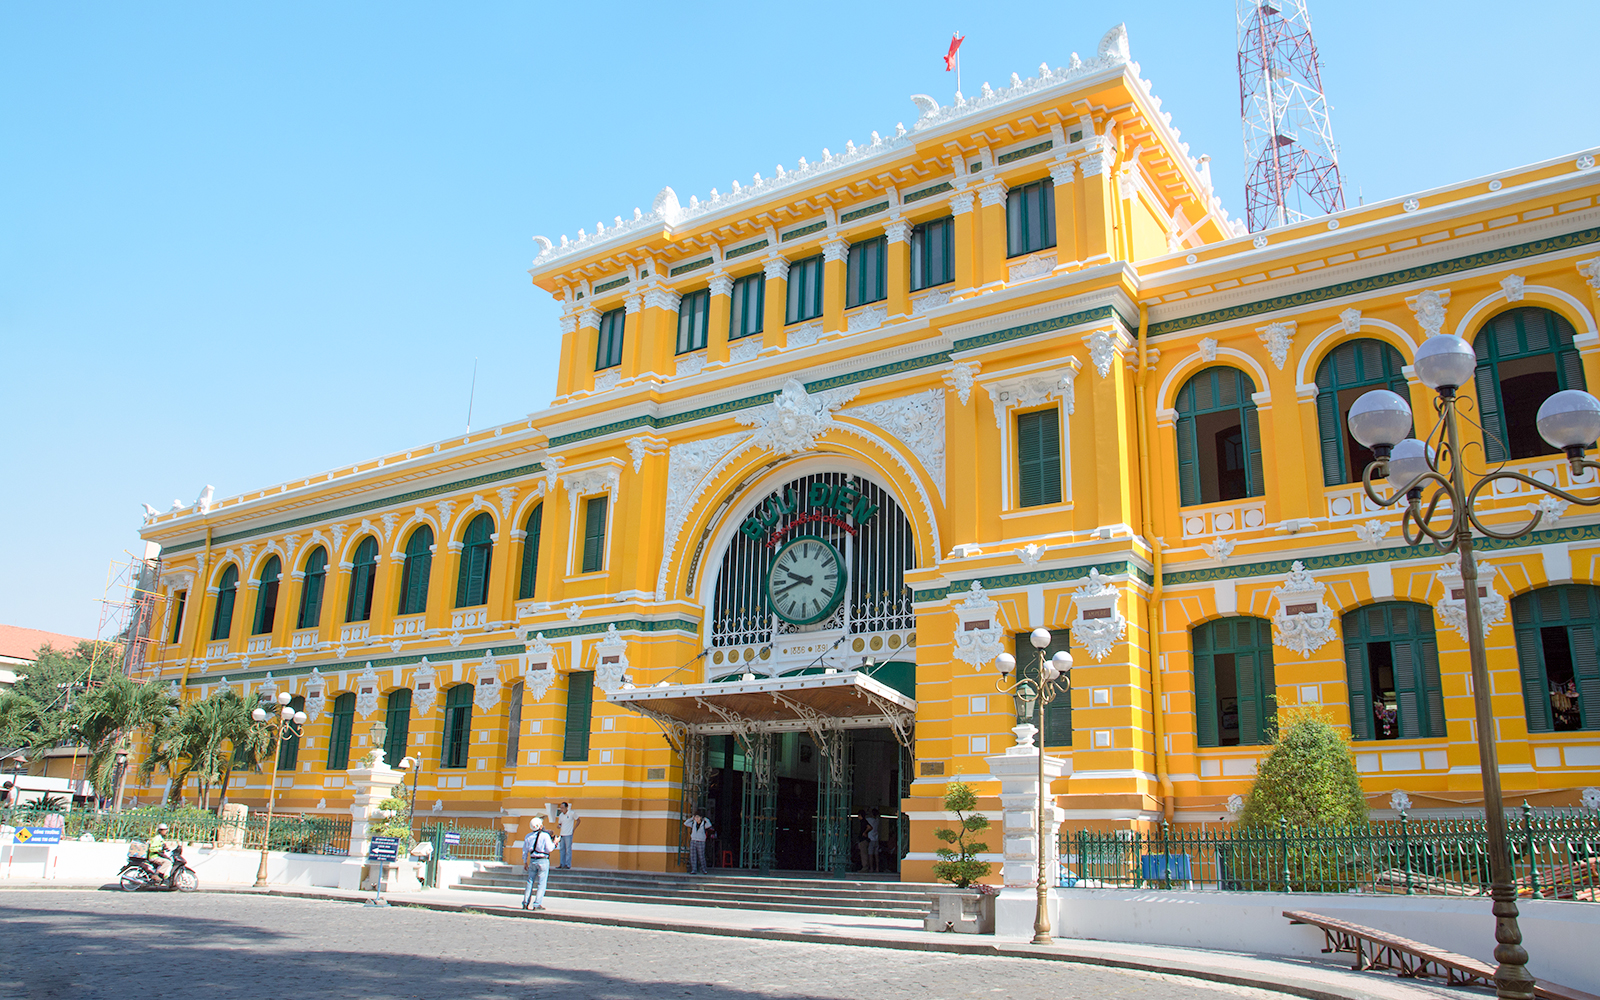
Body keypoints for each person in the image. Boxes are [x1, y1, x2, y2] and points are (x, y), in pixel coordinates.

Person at [520, 816, 556, 911]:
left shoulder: (528, 836)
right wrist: (555, 843)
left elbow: (525, 851)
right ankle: (537, 904)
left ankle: (525, 902)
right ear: (540, 826)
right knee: (541, 883)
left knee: (530, 882)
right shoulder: (545, 836)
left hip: (532, 859)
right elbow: (549, 849)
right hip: (543, 860)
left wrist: (525, 862)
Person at [683, 810, 713, 876]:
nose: (697, 818)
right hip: (693, 840)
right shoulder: (693, 823)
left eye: (698, 817)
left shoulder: (704, 824)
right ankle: (694, 870)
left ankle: (704, 869)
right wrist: (691, 818)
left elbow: (709, 825)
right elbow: (685, 823)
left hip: (701, 841)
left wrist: (706, 819)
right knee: (693, 856)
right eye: (696, 817)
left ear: (701, 817)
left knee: (701, 856)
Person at [555, 802, 581, 869]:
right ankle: (562, 864)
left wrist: (574, 829)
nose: (561, 809)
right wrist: (559, 826)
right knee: (562, 849)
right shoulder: (561, 815)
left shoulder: (571, 813)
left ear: (566, 808)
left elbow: (578, 820)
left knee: (568, 850)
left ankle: (568, 864)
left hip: (569, 834)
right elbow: (560, 823)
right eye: (561, 808)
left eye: (563, 808)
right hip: (562, 834)